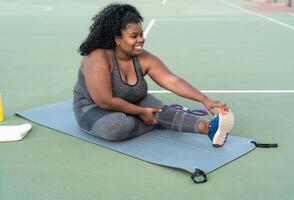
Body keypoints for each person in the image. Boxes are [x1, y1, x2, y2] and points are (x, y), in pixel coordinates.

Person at [73, 3, 234, 147]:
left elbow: (172, 81)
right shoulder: (97, 57)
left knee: (159, 111)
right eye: (134, 36)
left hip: (131, 101)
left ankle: (209, 128)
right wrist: (141, 112)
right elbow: (105, 101)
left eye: (141, 35)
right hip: (91, 107)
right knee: (117, 127)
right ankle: (157, 120)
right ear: (118, 39)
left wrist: (205, 99)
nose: (141, 40)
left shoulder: (143, 58)